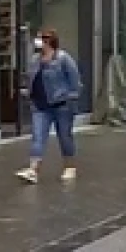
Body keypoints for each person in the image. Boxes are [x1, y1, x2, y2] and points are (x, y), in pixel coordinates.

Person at [16, 29, 82, 184]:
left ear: (49, 41)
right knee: (38, 137)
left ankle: (69, 167)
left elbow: (75, 81)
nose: (37, 42)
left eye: (41, 39)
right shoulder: (35, 60)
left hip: (61, 105)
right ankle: (33, 170)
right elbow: (31, 77)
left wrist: (70, 96)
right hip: (40, 106)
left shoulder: (63, 58)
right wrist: (28, 91)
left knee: (64, 136)